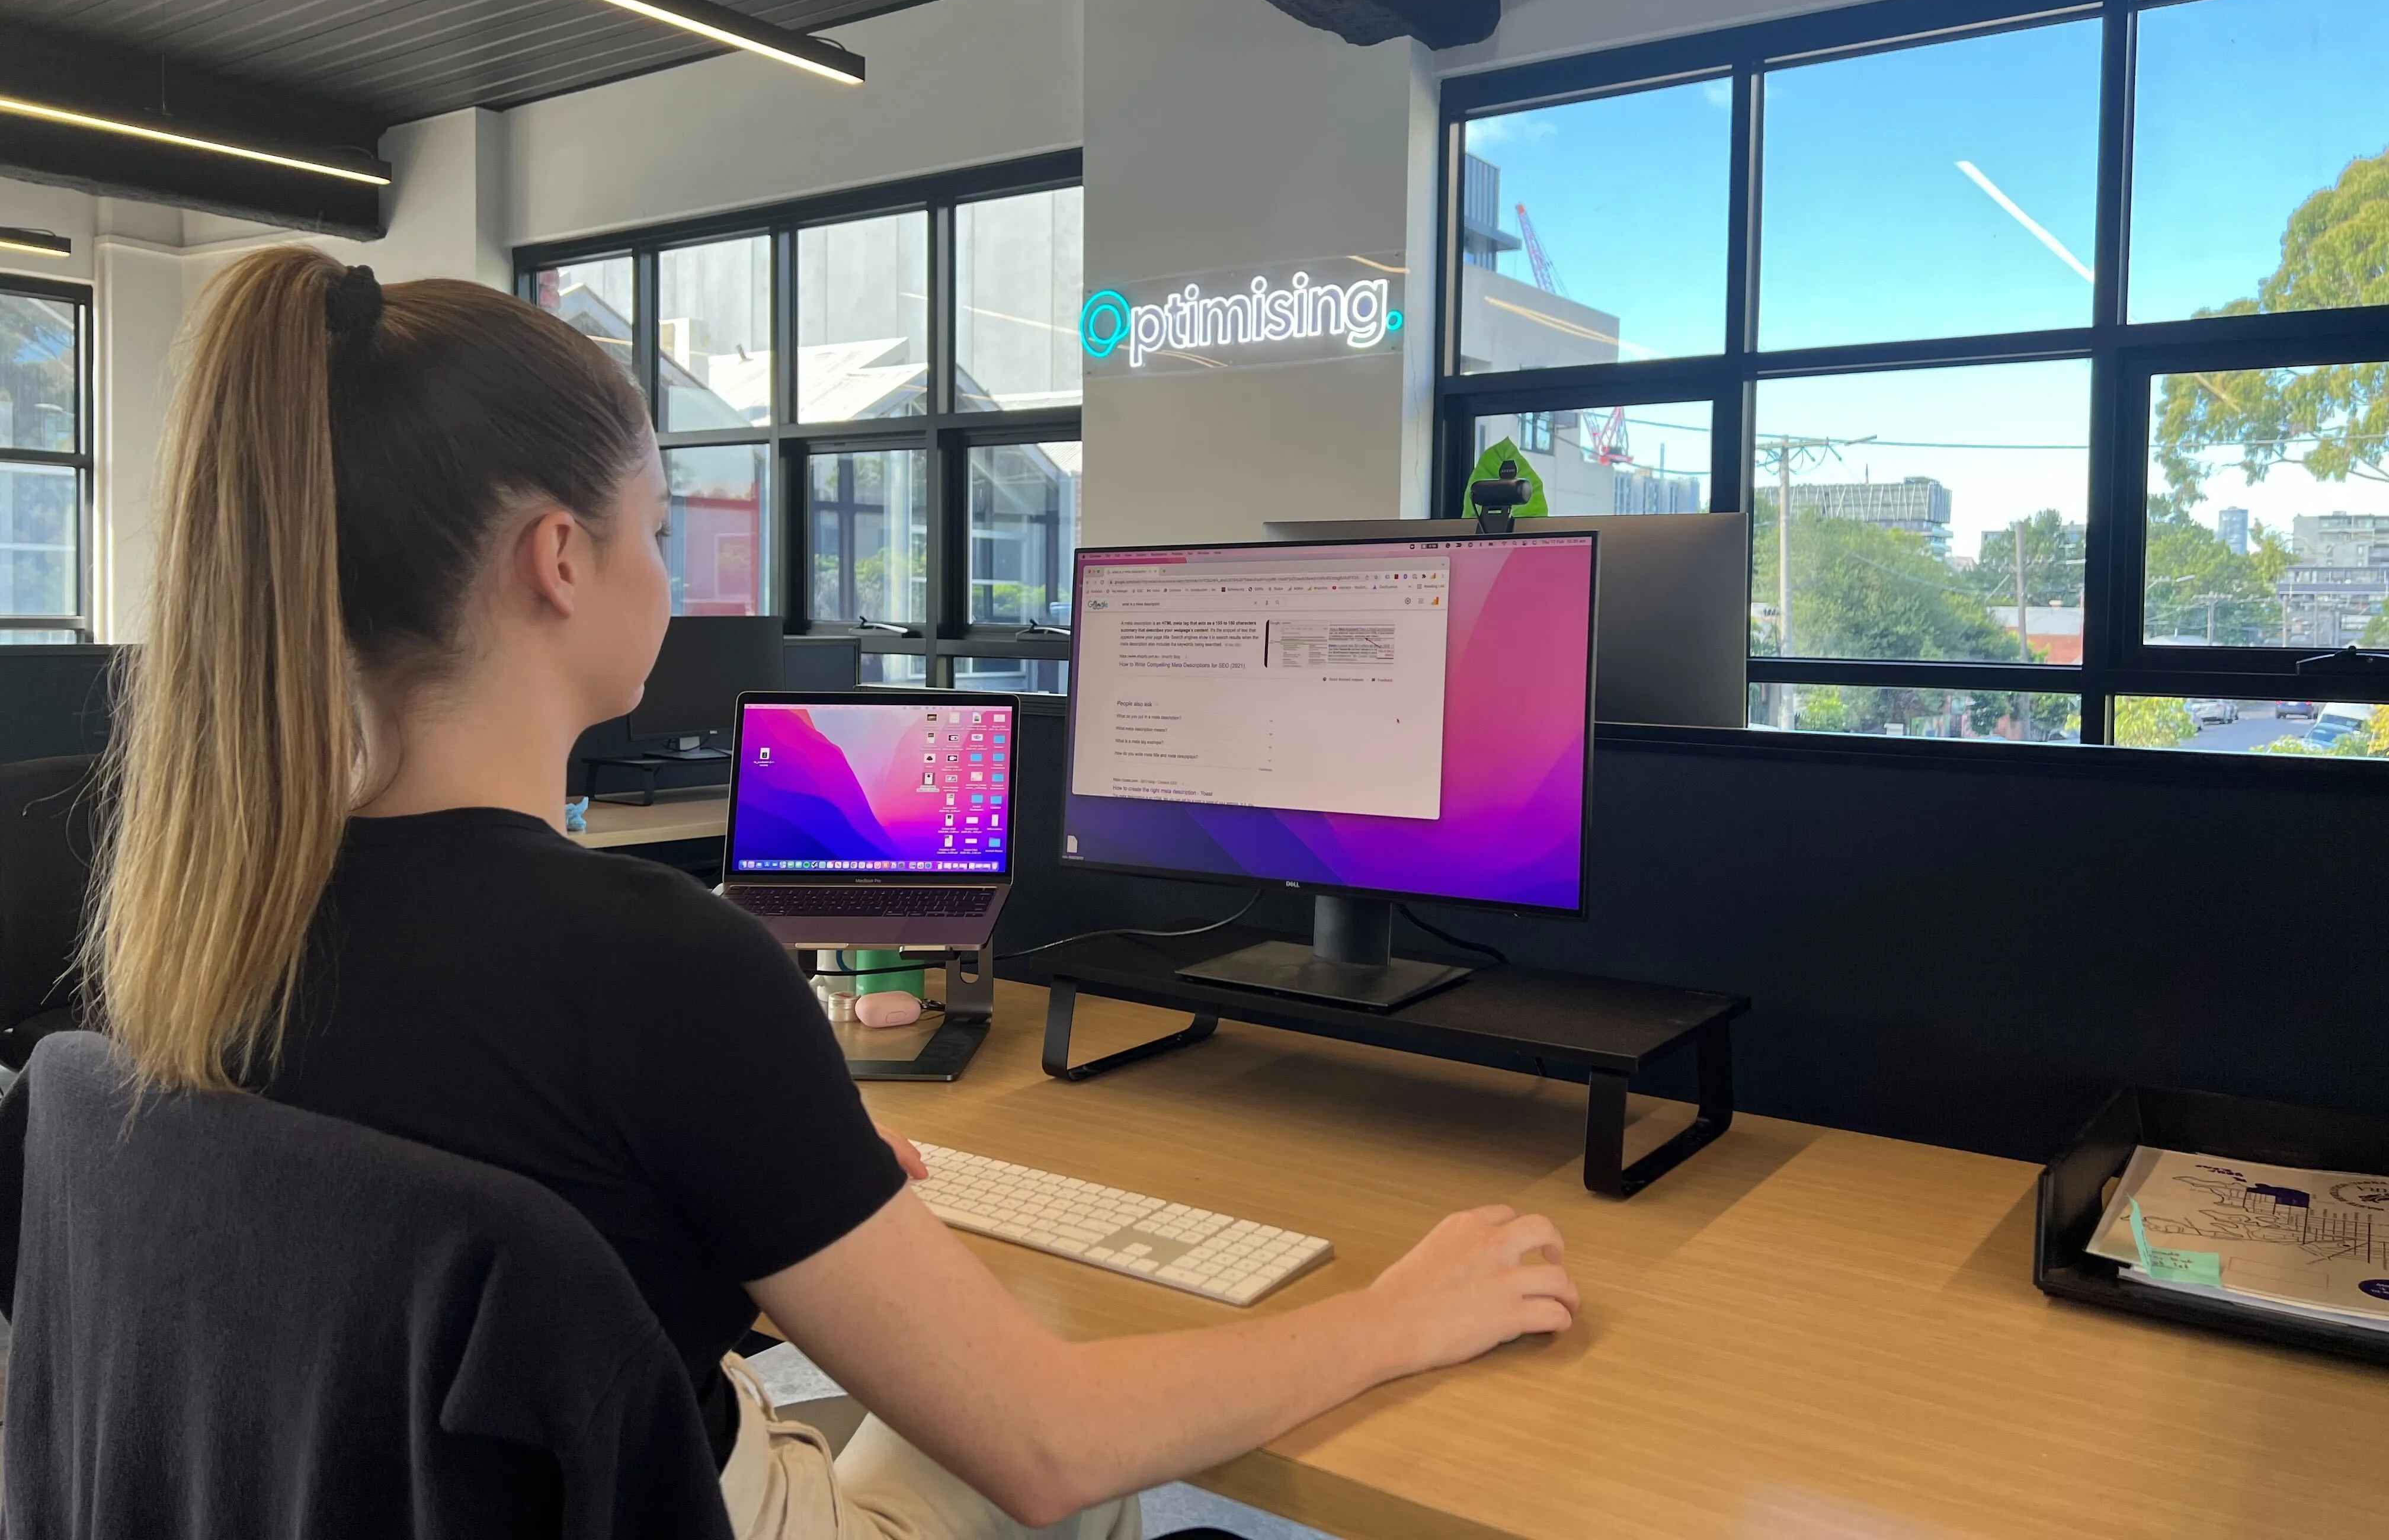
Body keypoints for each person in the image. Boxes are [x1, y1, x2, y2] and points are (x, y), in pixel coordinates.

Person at [82, 247, 1581, 1540]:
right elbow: (1046, 1445)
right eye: (658, 529)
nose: (668, 573)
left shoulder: (210, 926)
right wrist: (1397, 1317)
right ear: (557, 559)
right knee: (1076, 1430)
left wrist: (727, 1203)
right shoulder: (662, 969)